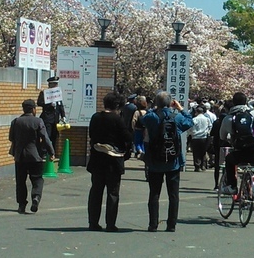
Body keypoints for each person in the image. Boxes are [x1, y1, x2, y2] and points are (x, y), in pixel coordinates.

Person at [142, 91, 193, 232]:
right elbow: (189, 122)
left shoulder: (151, 117)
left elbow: (143, 119)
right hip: (173, 161)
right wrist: (180, 109)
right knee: (173, 195)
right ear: (171, 103)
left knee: (154, 193)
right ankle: (171, 225)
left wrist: (155, 108)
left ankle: (153, 224)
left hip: (155, 161)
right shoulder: (176, 117)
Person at [219, 92, 254, 224]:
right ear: (246, 101)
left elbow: (222, 137)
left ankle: (232, 186)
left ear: (233, 102)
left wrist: (230, 138)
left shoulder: (229, 118)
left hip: (239, 153)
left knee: (230, 160)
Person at [87, 92, 132, 232]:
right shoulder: (117, 119)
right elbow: (127, 137)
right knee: (113, 193)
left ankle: (93, 222)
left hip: (97, 159)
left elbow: (92, 135)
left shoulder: (95, 117)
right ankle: (110, 224)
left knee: (96, 191)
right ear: (117, 105)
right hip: (113, 161)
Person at [8, 99, 56, 214]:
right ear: (33, 109)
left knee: (20, 181)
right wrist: (51, 152)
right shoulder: (38, 121)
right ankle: (36, 197)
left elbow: (11, 138)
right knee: (37, 179)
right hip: (35, 156)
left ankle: (21, 204)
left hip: (20, 156)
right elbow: (45, 138)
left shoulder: (16, 121)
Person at [37, 76, 66, 154]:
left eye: (56, 84)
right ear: (50, 84)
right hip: (47, 118)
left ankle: (52, 153)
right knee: (47, 136)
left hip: (55, 119)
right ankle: (44, 153)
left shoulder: (57, 93)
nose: (56, 86)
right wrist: (49, 104)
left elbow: (60, 105)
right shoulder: (44, 93)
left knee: (54, 137)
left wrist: (63, 116)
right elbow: (39, 103)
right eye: (54, 84)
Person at [189, 106, 212, 172]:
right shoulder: (207, 119)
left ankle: (197, 166)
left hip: (195, 137)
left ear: (197, 112)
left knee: (196, 152)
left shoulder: (194, 119)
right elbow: (210, 126)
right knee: (203, 152)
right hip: (204, 137)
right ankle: (203, 165)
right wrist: (207, 132)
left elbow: (190, 128)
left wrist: (191, 134)